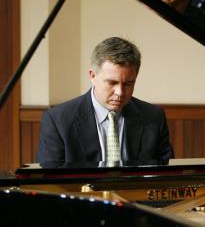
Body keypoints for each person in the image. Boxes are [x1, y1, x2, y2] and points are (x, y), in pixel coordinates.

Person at [37, 37, 174, 165]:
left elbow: (167, 173)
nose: (120, 92)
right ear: (92, 76)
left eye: (128, 84)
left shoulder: (154, 117)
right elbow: (50, 180)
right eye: (112, 83)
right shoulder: (58, 120)